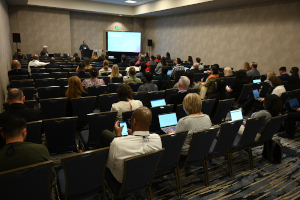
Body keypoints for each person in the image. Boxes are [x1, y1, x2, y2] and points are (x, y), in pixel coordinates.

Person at [97, 107, 162, 183]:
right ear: (150, 123)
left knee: (102, 165)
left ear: (134, 122)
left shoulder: (117, 143)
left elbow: (110, 165)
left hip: (123, 181)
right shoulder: (157, 138)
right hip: (146, 177)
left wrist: (118, 137)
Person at [0, 116, 55, 181]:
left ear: (2, 135)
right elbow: (51, 176)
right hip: (38, 190)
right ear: (24, 132)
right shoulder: (40, 150)